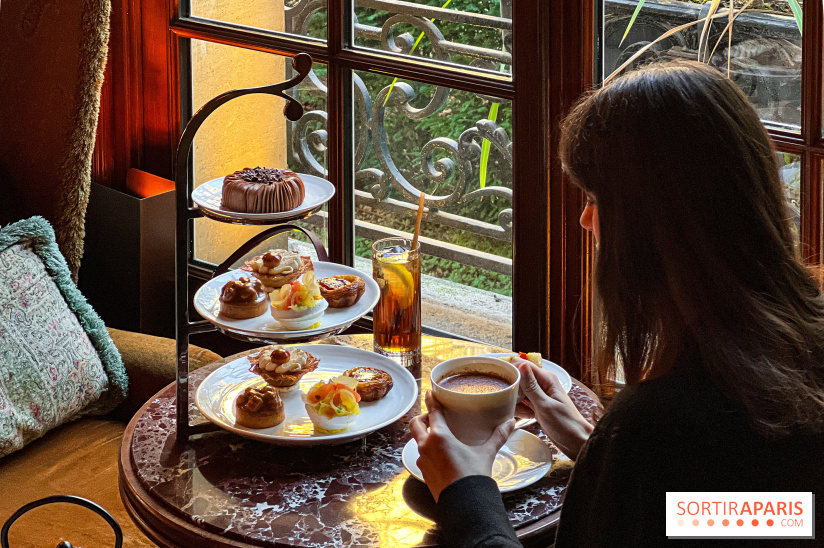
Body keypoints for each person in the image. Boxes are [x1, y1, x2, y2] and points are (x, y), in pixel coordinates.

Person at [409, 61, 824, 547]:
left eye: (596, 199)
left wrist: (466, 491)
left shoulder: (662, 426)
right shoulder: (794, 362)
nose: (586, 221)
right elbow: (765, 519)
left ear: (654, 224)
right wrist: (593, 449)